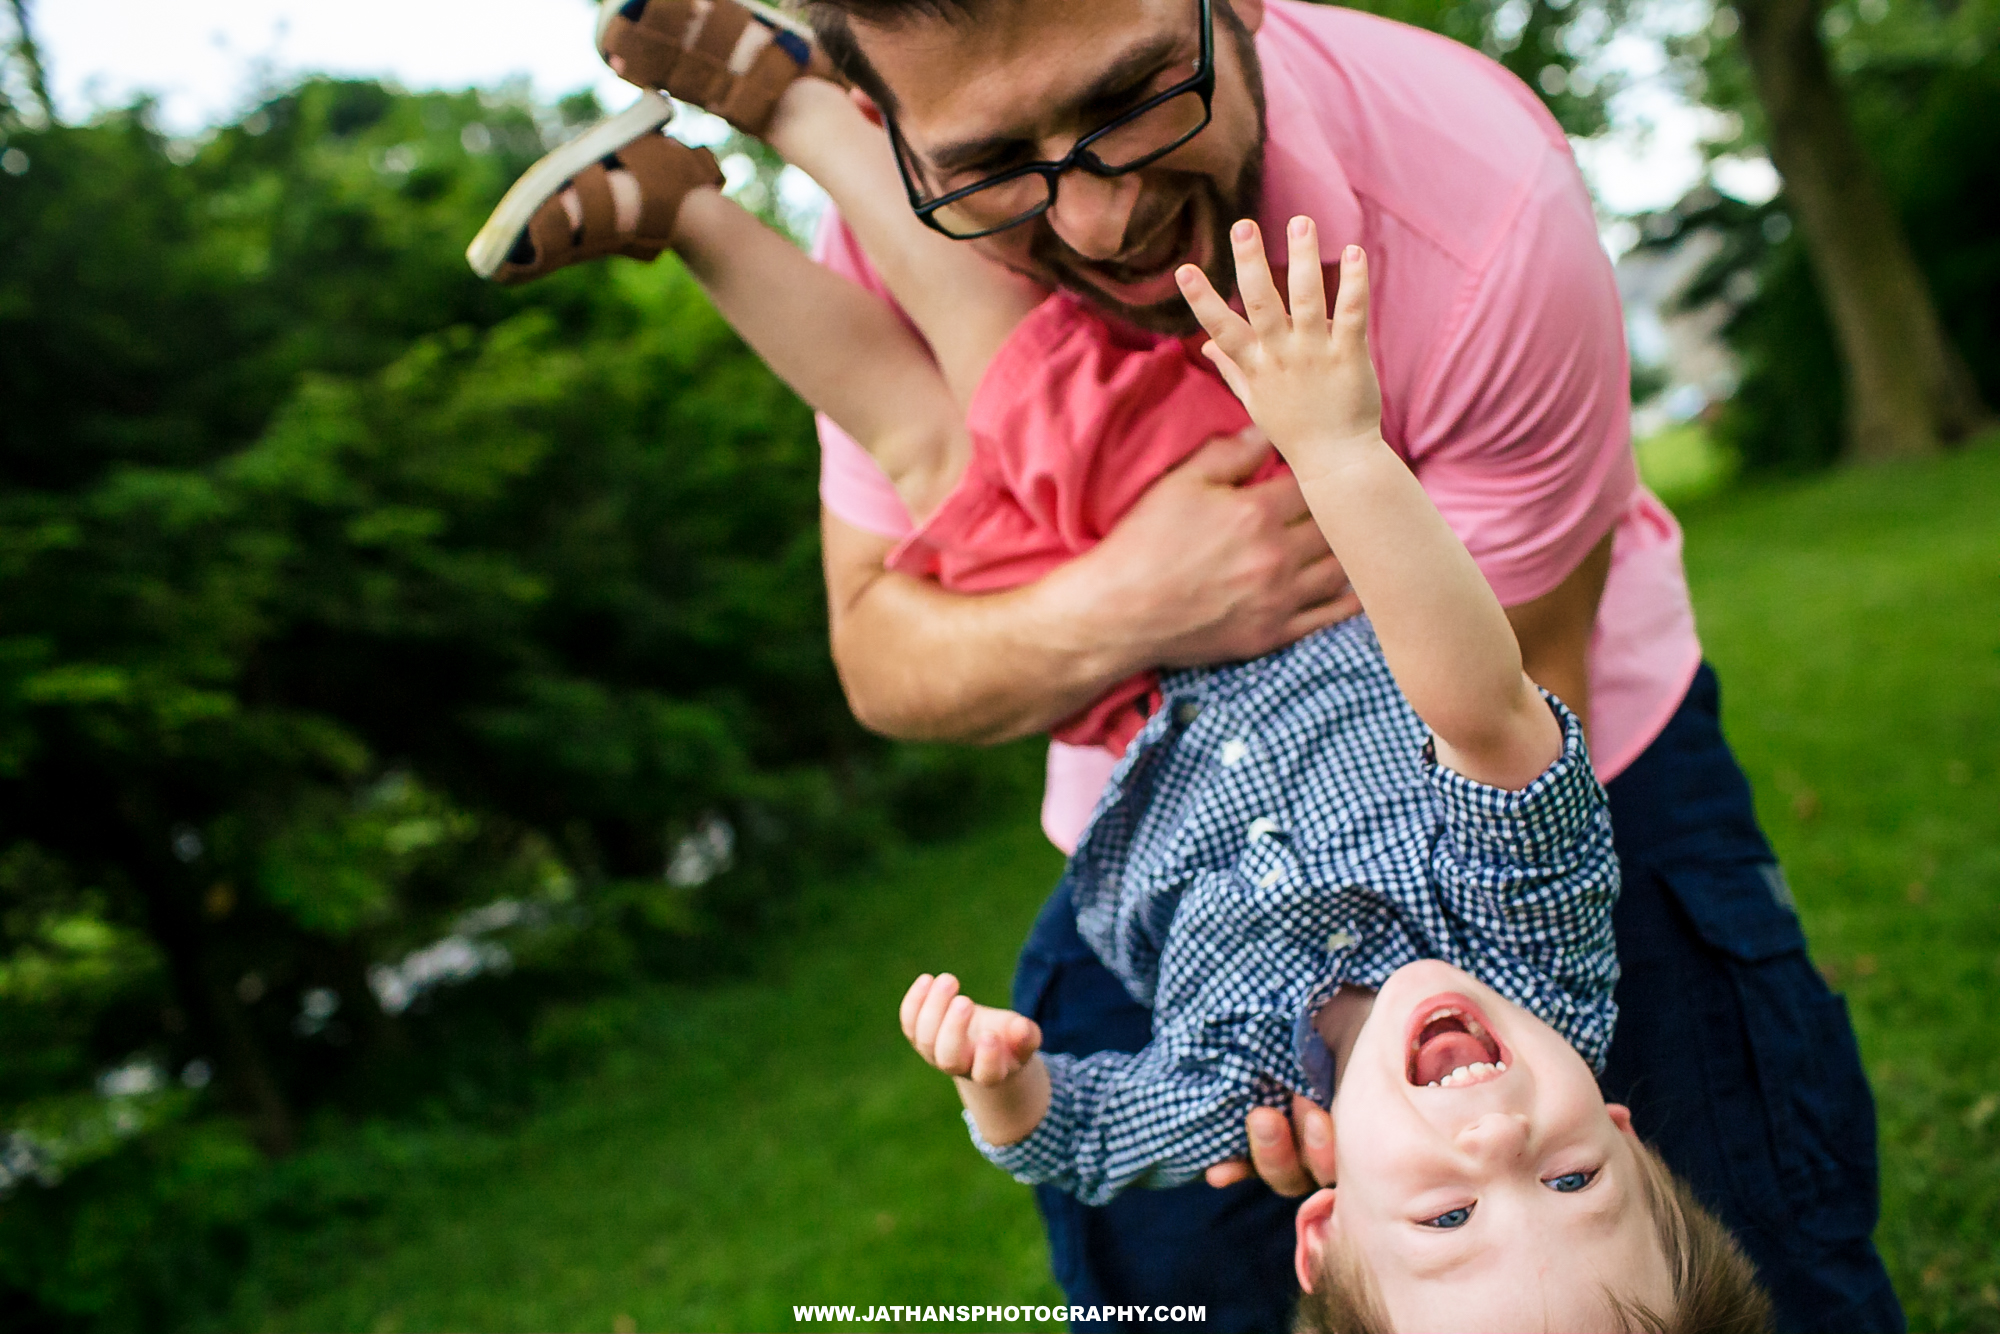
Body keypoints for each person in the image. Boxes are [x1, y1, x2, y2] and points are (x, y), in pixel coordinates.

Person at [473, 0, 1902, 1329]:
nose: (1496, 1129)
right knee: (1003, 376)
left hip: (1158, 747)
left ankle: (691, 217)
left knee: (946, 447)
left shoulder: (1230, 1088)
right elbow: (1496, 712)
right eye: (1575, 1174)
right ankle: (786, 115)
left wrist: (1009, 1087)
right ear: (1619, 1117)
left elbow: (1084, 1134)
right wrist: (1330, 456)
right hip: (1288, 568)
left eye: (1451, 1202)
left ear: (1325, 1222)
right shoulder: (1534, 944)